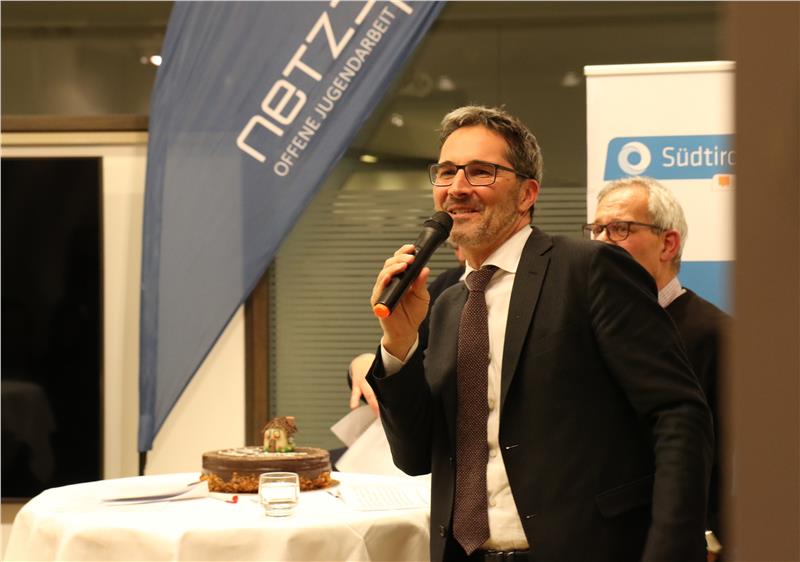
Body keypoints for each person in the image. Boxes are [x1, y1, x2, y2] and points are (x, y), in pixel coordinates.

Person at [366, 105, 713, 562]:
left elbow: (678, 415)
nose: (457, 188)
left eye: (480, 172)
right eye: (446, 172)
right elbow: (414, 457)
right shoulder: (446, 304)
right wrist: (397, 343)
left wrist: (670, 549)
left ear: (527, 193)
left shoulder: (590, 270)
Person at [587, 176, 730, 561]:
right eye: (596, 229)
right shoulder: (582, 329)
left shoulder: (720, 337)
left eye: (619, 229)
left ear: (668, 244)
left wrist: (712, 536)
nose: (601, 242)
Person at [348, 243, 466, 416]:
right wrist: (373, 365)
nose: (461, 256)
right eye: (455, 247)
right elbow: (414, 374)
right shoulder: (447, 284)